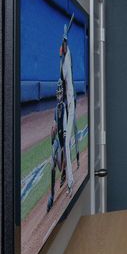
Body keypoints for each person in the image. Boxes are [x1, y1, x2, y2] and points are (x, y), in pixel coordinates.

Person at [47, 15, 76, 212]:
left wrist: (64, 39)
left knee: (66, 144)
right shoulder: (58, 105)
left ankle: (70, 182)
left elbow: (65, 53)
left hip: (70, 108)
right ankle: (52, 193)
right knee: (54, 157)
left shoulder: (66, 69)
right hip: (62, 115)